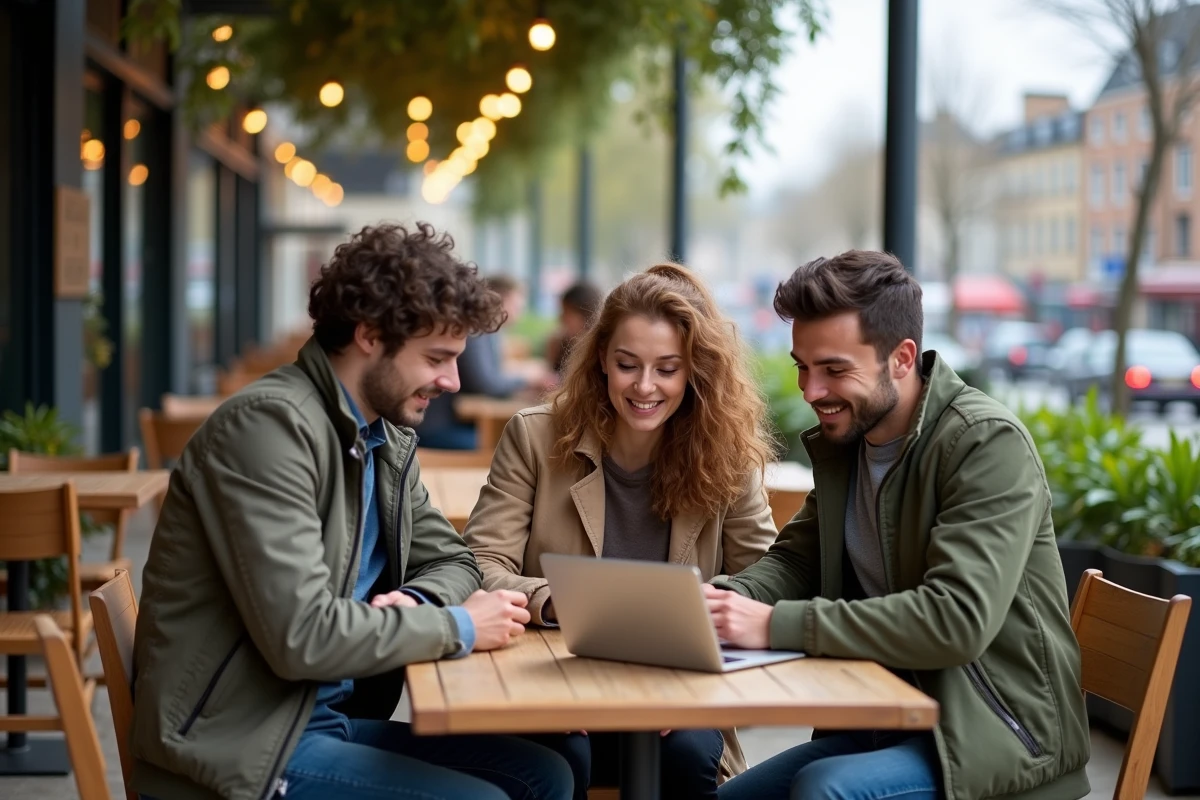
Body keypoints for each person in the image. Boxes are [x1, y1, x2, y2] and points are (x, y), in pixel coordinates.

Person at [130, 223, 573, 800]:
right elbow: (303, 636)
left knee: (546, 774)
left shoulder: (382, 439)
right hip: (237, 746)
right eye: (436, 357)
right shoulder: (267, 430)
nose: (453, 381)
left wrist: (414, 600)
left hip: (315, 720)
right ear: (368, 335)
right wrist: (459, 625)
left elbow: (456, 561)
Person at [705, 251, 1091, 800]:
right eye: (802, 367)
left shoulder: (985, 445)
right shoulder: (855, 445)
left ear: (902, 358)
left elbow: (956, 619)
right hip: (886, 724)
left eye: (835, 369)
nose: (811, 391)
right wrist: (716, 603)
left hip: (997, 742)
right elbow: (796, 561)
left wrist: (770, 626)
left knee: (825, 791)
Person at [463, 263, 781, 800]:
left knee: (683, 754)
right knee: (559, 757)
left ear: (695, 372)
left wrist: (692, 637)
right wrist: (555, 600)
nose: (645, 386)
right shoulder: (535, 438)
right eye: (627, 365)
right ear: (601, 363)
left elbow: (769, 580)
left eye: (668, 369)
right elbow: (478, 567)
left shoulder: (727, 457)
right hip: (551, 690)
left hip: (678, 695)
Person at [415, 273, 544, 449]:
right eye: (518, 300)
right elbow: (485, 383)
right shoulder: (477, 332)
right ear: (501, 300)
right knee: (511, 446)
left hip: (448, 422)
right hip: (436, 428)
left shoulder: (488, 333)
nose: (521, 307)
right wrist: (526, 378)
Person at [545, 281, 603, 374]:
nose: (561, 318)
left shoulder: (596, 352)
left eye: (567, 312)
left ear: (585, 316)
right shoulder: (560, 344)